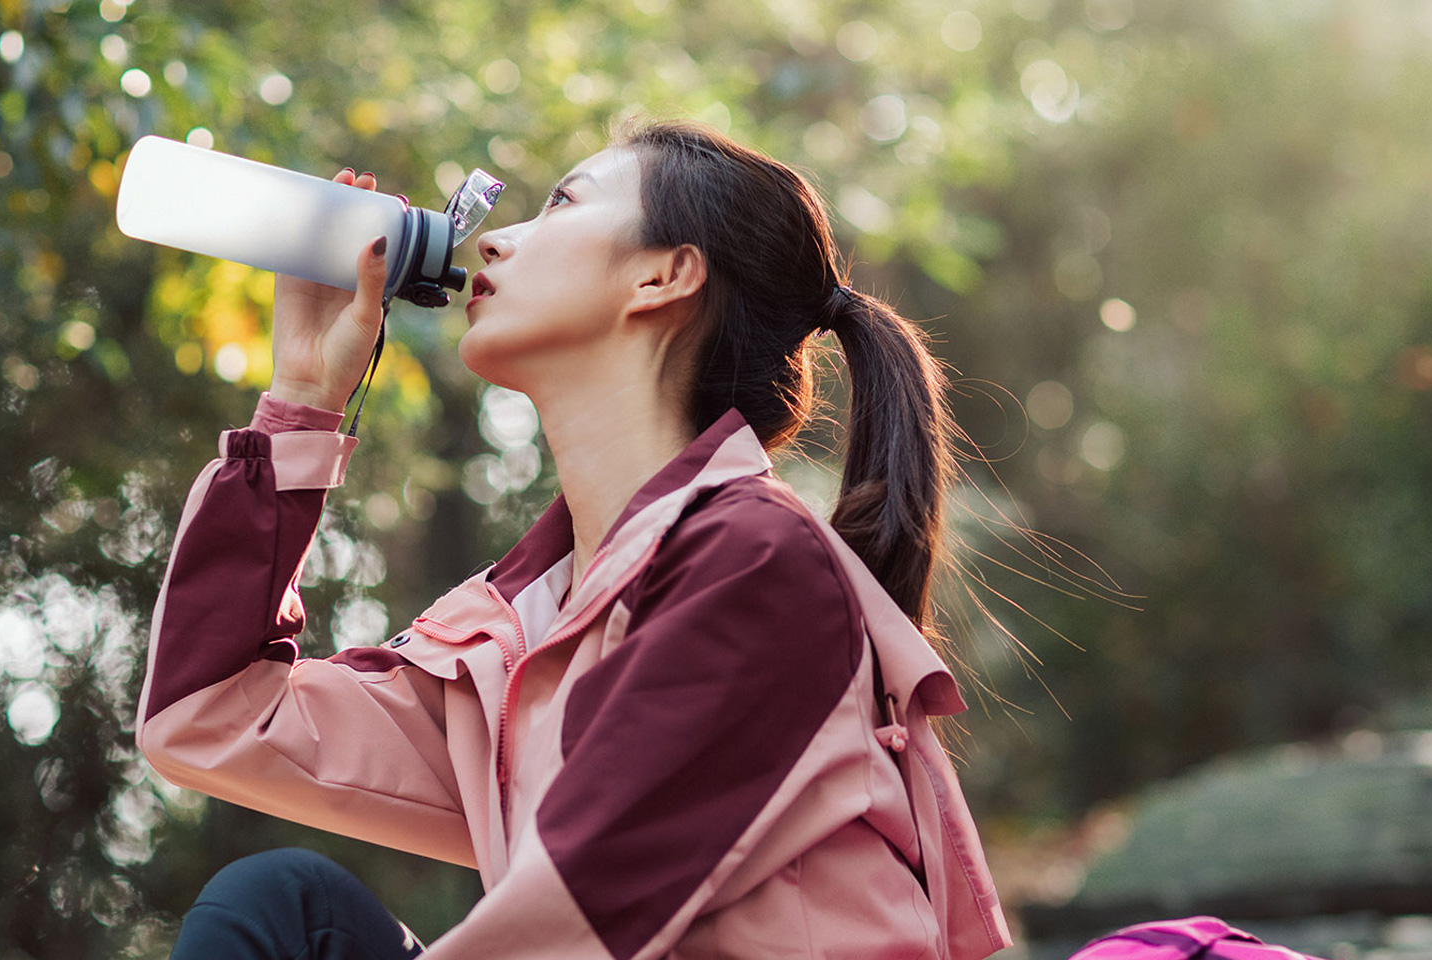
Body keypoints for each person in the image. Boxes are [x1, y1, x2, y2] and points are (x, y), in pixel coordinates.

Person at [136, 119, 1013, 960]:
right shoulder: (515, 639)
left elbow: (575, 927)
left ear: (664, 277)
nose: (490, 242)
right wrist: (302, 398)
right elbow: (204, 718)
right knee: (286, 910)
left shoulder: (755, 562)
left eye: (559, 204)